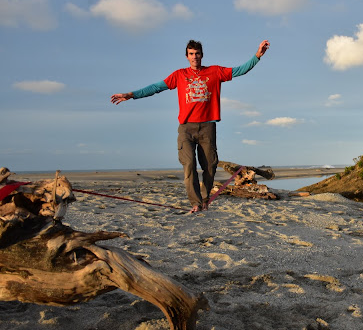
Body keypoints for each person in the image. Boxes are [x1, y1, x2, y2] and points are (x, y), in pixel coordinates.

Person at [111, 39, 270, 213]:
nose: (195, 57)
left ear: (202, 55)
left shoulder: (215, 72)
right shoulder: (179, 75)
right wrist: (131, 95)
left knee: (210, 166)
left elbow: (240, 70)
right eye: (191, 54)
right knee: (189, 164)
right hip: (186, 128)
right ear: (187, 56)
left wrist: (257, 56)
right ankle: (195, 203)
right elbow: (156, 87)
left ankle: (204, 199)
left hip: (207, 127)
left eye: (197, 53)